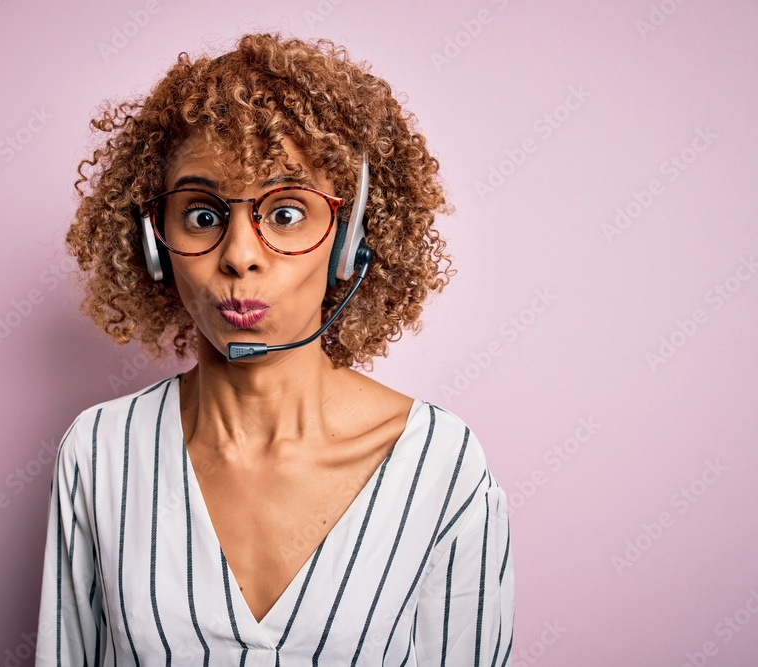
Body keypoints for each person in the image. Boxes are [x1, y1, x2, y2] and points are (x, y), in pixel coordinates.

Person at [35, 32, 514, 667]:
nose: (239, 256)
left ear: (350, 242)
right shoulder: (98, 454)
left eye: (286, 213)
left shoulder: (440, 467)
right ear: (155, 243)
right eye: (202, 215)